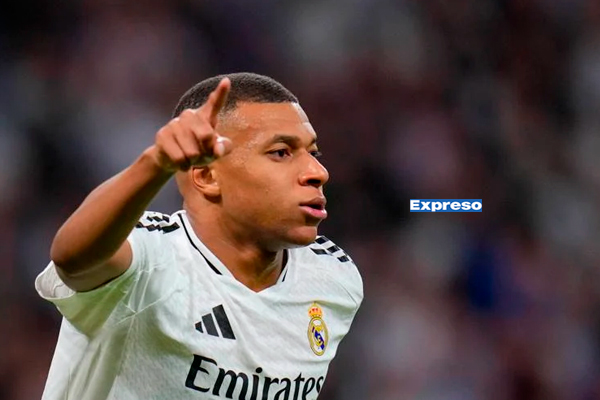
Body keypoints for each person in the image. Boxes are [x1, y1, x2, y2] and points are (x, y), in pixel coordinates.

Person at [35, 72, 363, 400]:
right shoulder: (152, 260)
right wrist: (156, 163)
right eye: (281, 152)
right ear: (207, 176)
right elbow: (72, 259)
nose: (318, 172)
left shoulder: (334, 279)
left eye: (313, 153)